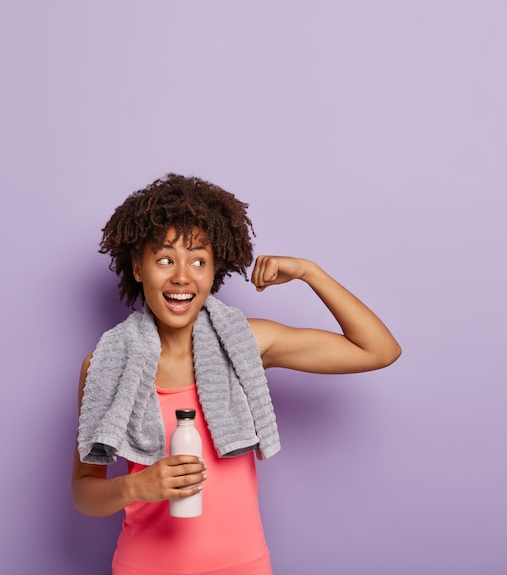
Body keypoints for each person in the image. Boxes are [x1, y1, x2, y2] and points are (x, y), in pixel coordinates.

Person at [72, 173, 401, 575]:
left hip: (242, 566)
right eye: (164, 259)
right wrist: (136, 487)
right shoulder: (105, 364)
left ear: (214, 273)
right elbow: (85, 492)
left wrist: (309, 272)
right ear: (139, 268)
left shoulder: (244, 345)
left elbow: (379, 350)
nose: (181, 276)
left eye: (198, 261)